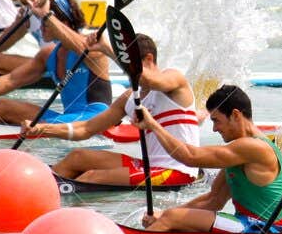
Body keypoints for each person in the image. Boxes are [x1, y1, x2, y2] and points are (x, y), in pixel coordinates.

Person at [27, 35, 200, 188]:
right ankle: (40, 189)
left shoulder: (174, 79)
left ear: (149, 58)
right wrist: (42, 129)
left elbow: (148, 78)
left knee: (90, 177)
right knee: (77, 157)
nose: (128, 74)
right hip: (149, 166)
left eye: (129, 67)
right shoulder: (129, 98)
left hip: (178, 171)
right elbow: (86, 128)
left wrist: (107, 48)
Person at [136, 85, 282, 234]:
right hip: (248, 224)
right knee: (170, 217)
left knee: (171, 218)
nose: (214, 128)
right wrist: (163, 214)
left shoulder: (254, 147)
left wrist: (153, 124)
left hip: (264, 230)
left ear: (235, 115)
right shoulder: (240, 154)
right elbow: (214, 200)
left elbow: (190, 157)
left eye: (216, 120)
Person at [0, 0, 114, 125]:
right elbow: (11, 80)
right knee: (3, 107)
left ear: (62, 22)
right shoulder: (48, 54)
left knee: (36, 125)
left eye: (44, 23)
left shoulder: (93, 48)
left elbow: (80, 45)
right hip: (69, 118)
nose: (40, 28)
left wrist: (47, 15)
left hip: (96, 120)